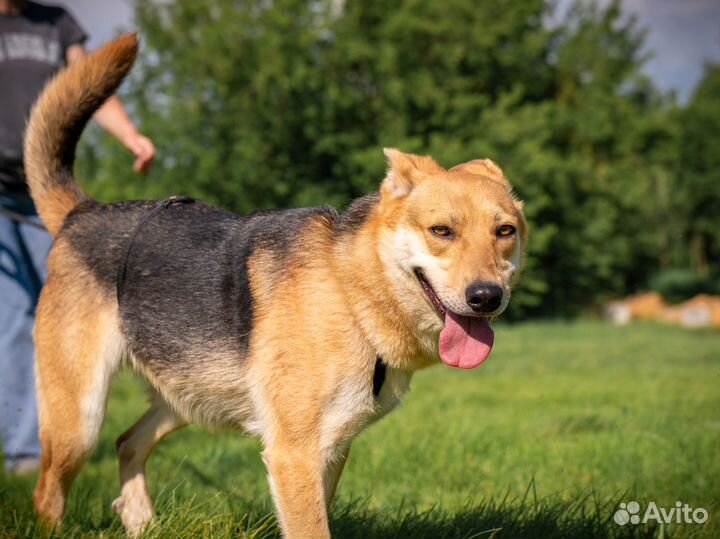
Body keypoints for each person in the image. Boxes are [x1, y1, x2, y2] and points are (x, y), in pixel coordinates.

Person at [0, 0, 155, 473]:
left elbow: (89, 89)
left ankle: (48, 441)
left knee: (57, 316)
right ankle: (27, 451)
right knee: (12, 311)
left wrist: (131, 135)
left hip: (45, 189)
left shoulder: (57, 22)